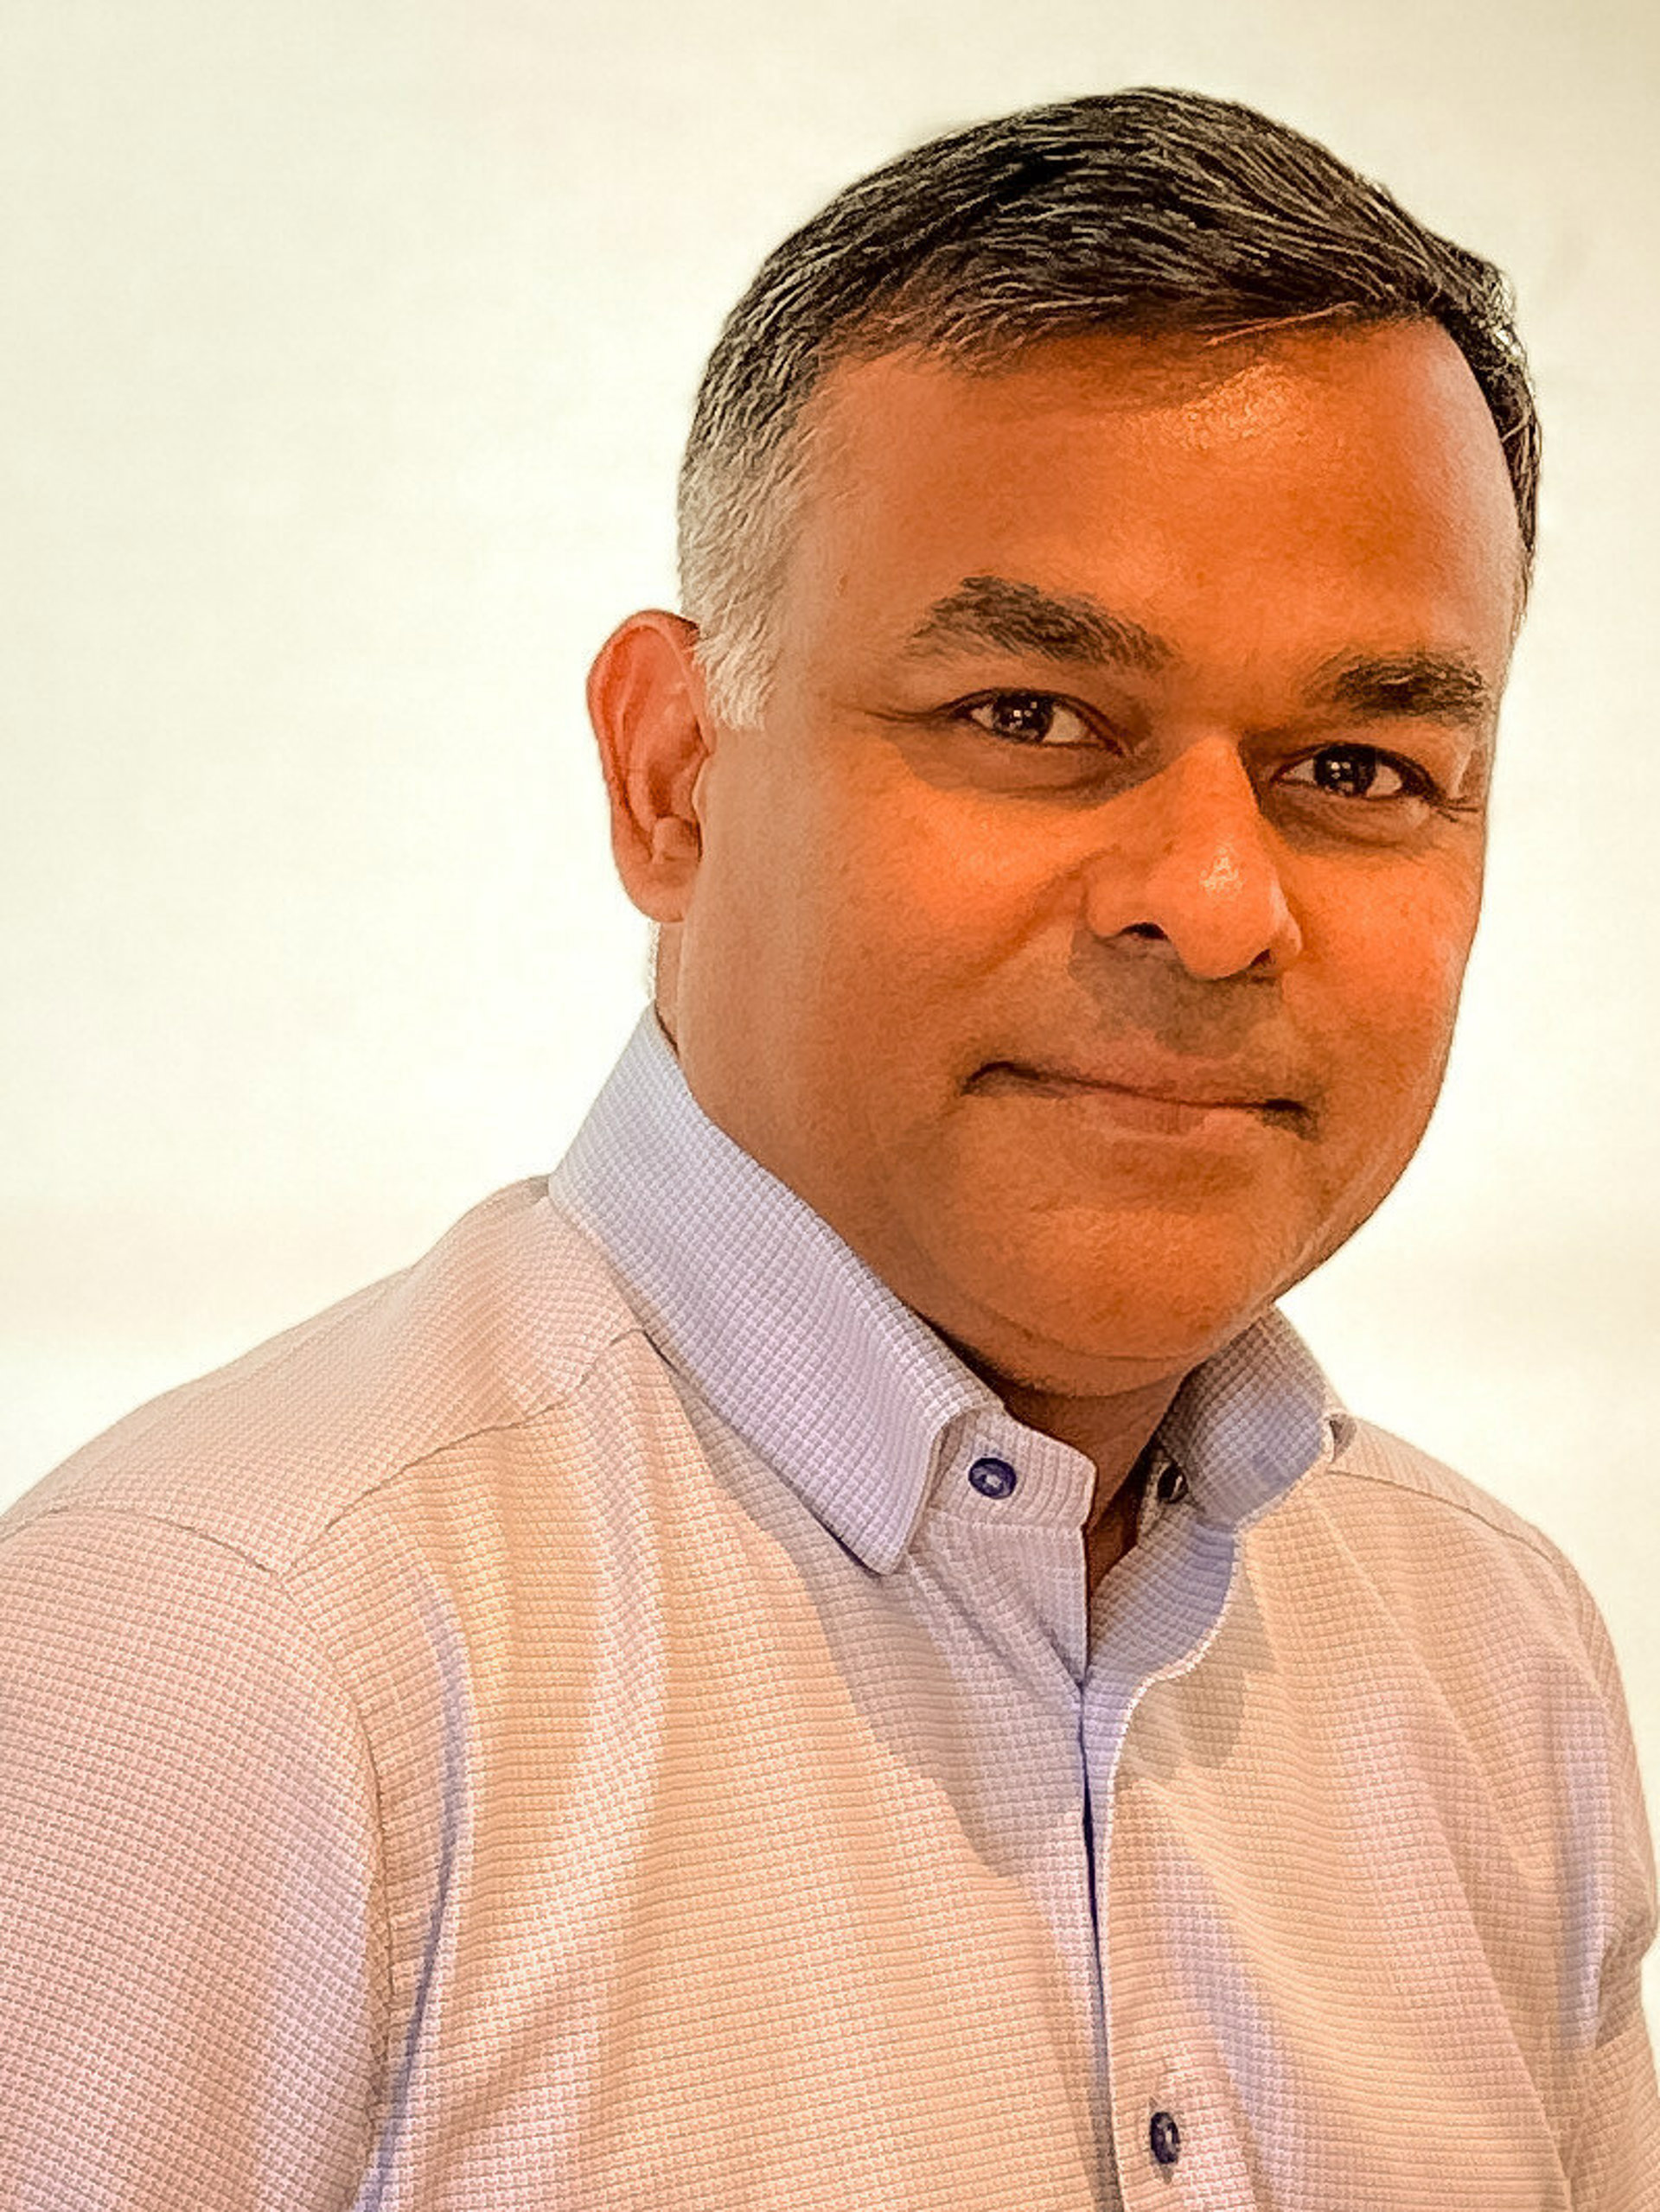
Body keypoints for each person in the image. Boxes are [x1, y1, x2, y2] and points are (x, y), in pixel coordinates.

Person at [0, 85, 1653, 2211]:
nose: (1219, 900)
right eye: (1033, 717)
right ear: (673, 775)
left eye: (1359, 765)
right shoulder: (222, 1661)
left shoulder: (1498, 1662)